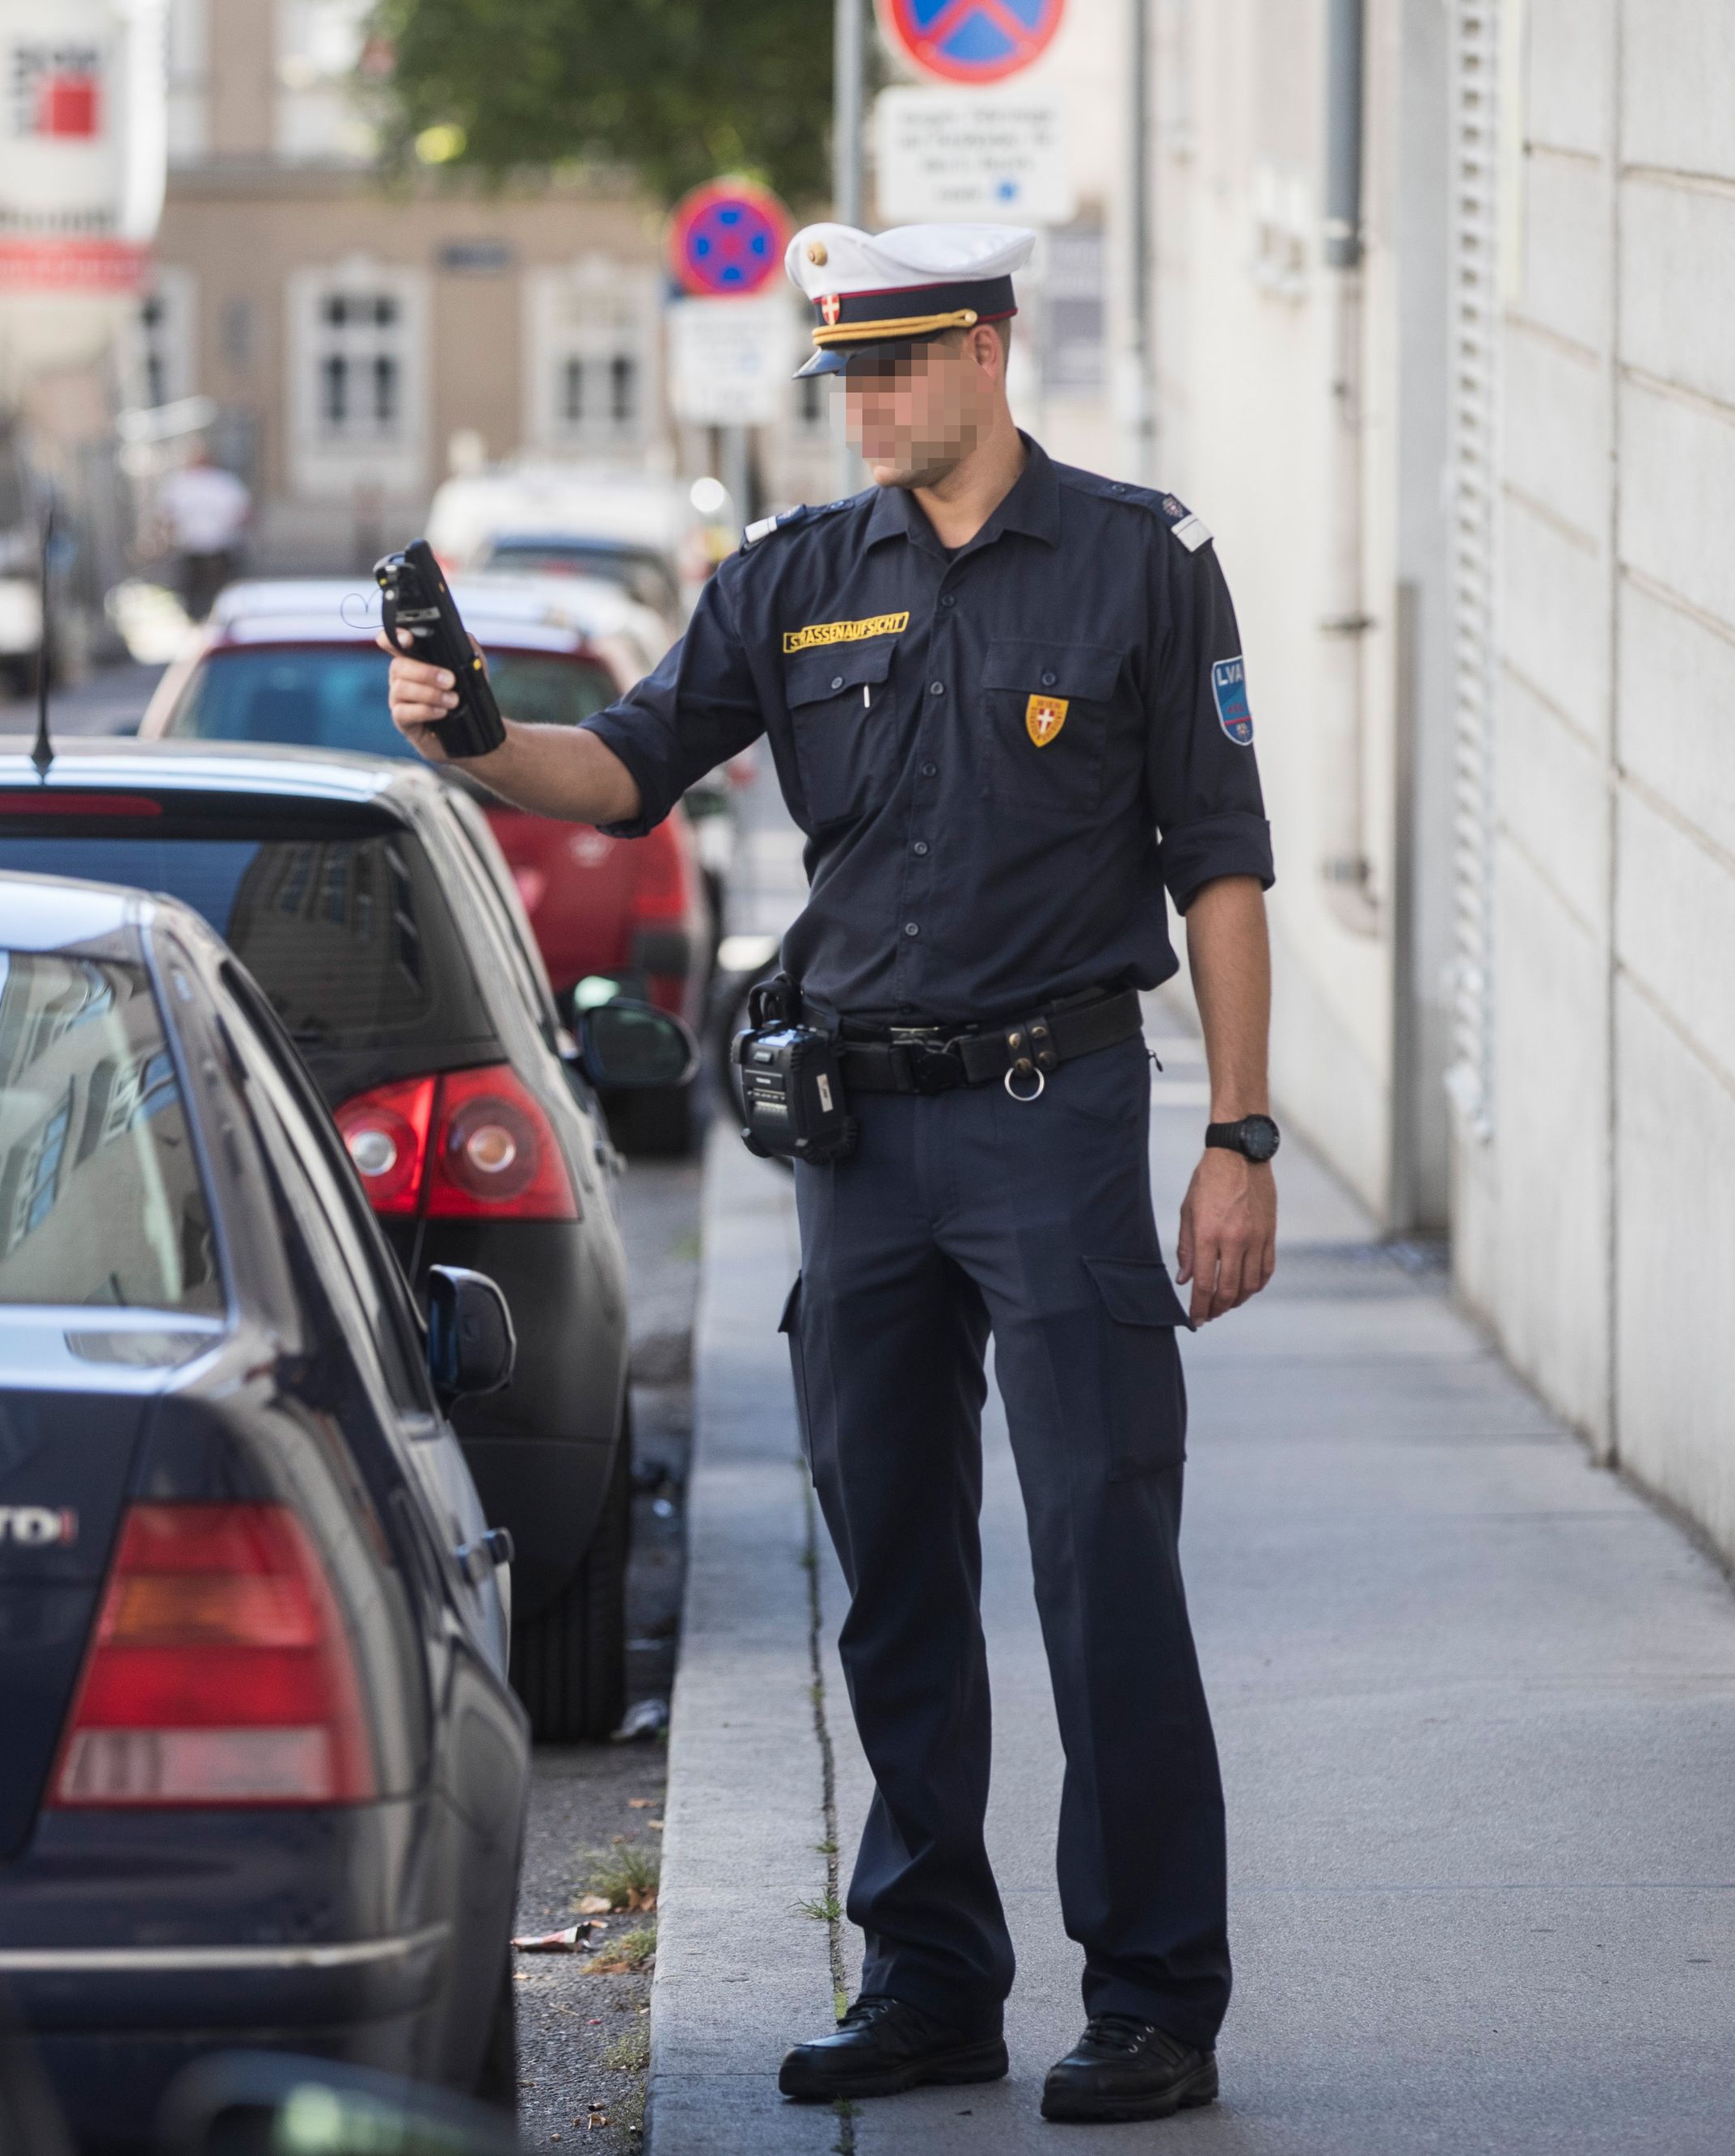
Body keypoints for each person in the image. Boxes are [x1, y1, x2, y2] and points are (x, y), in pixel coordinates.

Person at [382, 222, 1277, 2126]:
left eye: (897, 363)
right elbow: (627, 764)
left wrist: (1237, 1135)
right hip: (857, 1142)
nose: (863, 401)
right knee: (887, 1566)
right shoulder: (791, 577)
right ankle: (929, 1976)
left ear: (990, 347)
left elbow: (1217, 861)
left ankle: (1148, 1995)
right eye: (846, 371)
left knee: (1100, 1548)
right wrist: (476, 736)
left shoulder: (1138, 559)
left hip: (1051, 1115)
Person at [157, 441, 252, 619]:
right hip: (192, 548)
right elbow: (168, 516)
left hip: (220, 548)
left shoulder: (223, 482)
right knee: (194, 595)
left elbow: (242, 513)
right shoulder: (180, 483)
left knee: (220, 593)